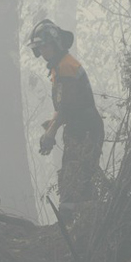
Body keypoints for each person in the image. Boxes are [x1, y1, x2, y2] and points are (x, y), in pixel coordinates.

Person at [28, 19, 104, 220]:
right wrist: (49, 129)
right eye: (39, 48)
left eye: (45, 46)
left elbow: (67, 108)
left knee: (76, 176)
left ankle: (72, 223)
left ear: (55, 43)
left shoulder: (66, 67)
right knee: (76, 175)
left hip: (86, 129)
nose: (42, 51)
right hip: (79, 127)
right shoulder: (59, 67)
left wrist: (51, 133)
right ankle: (80, 222)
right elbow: (61, 107)